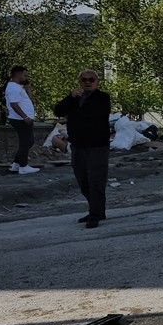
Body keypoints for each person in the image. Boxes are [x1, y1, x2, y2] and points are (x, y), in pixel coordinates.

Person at [54, 69, 111, 228]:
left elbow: (93, 114)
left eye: (91, 79)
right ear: (80, 82)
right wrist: (71, 98)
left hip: (97, 146)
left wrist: (75, 111)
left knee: (96, 181)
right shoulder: (74, 98)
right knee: (83, 181)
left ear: (97, 81)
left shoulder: (102, 97)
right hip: (78, 146)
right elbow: (58, 111)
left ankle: (96, 213)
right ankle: (96, 209)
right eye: (84, 80)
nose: (87, 82)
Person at [4, 66, 40, 174]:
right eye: (25, 75)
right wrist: (25, 117)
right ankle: (23, 166)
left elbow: (28, 100)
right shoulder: (13, 88)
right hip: (20, 119)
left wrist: (28, 88)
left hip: (23, 119)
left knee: (29, 142)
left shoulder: (18, 87)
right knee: (25, 143)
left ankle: (16, 164)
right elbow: (14, 104)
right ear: (18, 74)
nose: (26, 77)